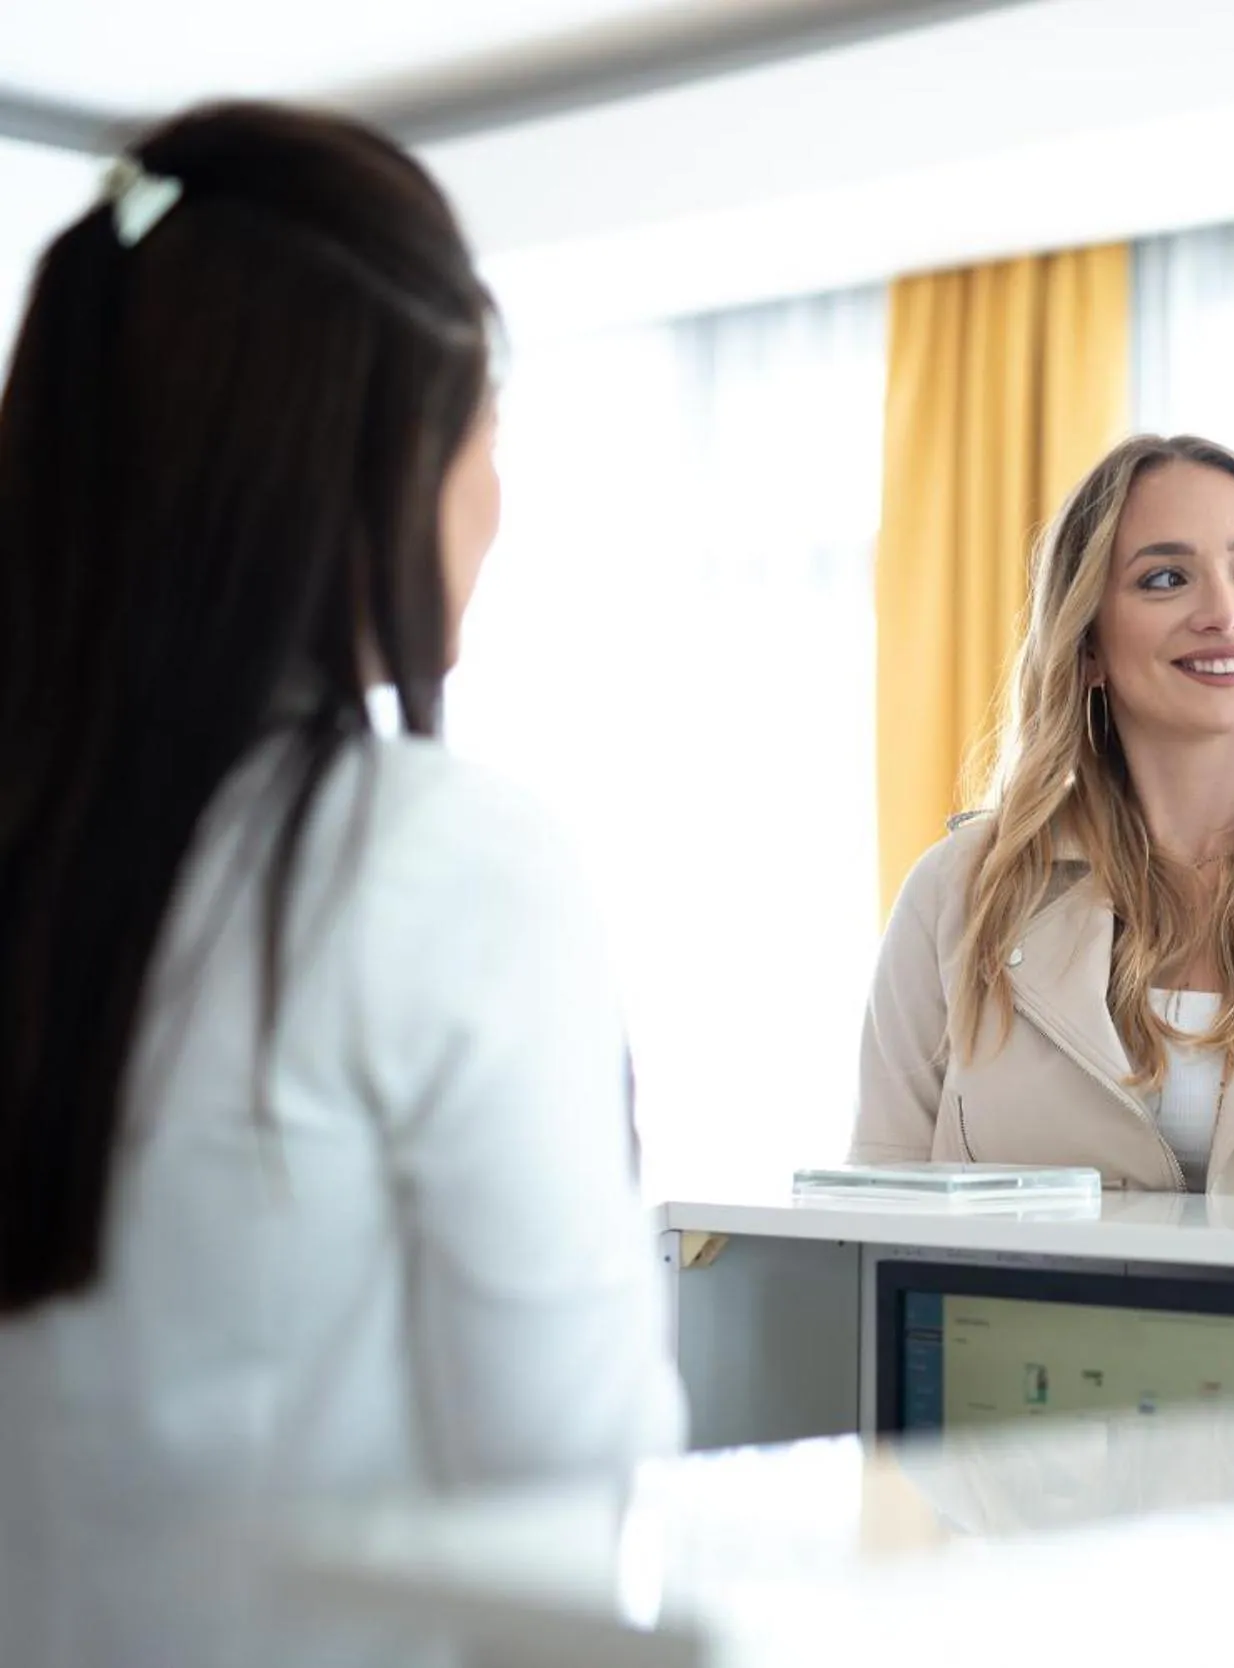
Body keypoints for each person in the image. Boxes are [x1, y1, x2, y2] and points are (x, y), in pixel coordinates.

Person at [0, 104, 683, 1667]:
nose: (500, 500)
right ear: (363, 456)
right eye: (486, 428)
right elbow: (565, 1502)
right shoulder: (435, 862)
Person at [854, 434, 1234, 1201]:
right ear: (1088, 642)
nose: (1226, 612)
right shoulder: (957, 895)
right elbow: (879, 1204)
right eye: (1165, 579)